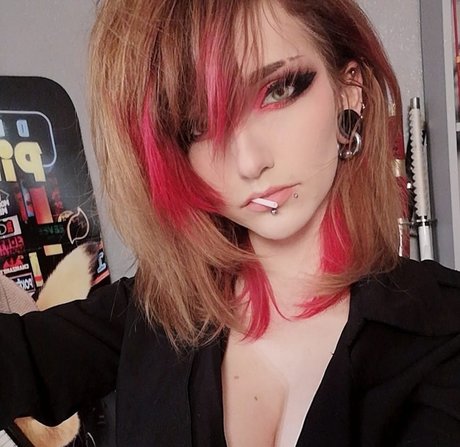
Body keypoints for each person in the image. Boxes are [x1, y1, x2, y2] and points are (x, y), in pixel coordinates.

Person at [1, 0, 460, 446]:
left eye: (277, 91)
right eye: (197, 126)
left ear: (350, 91)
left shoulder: (445, 328)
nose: (248, 162)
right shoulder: (159, 310)